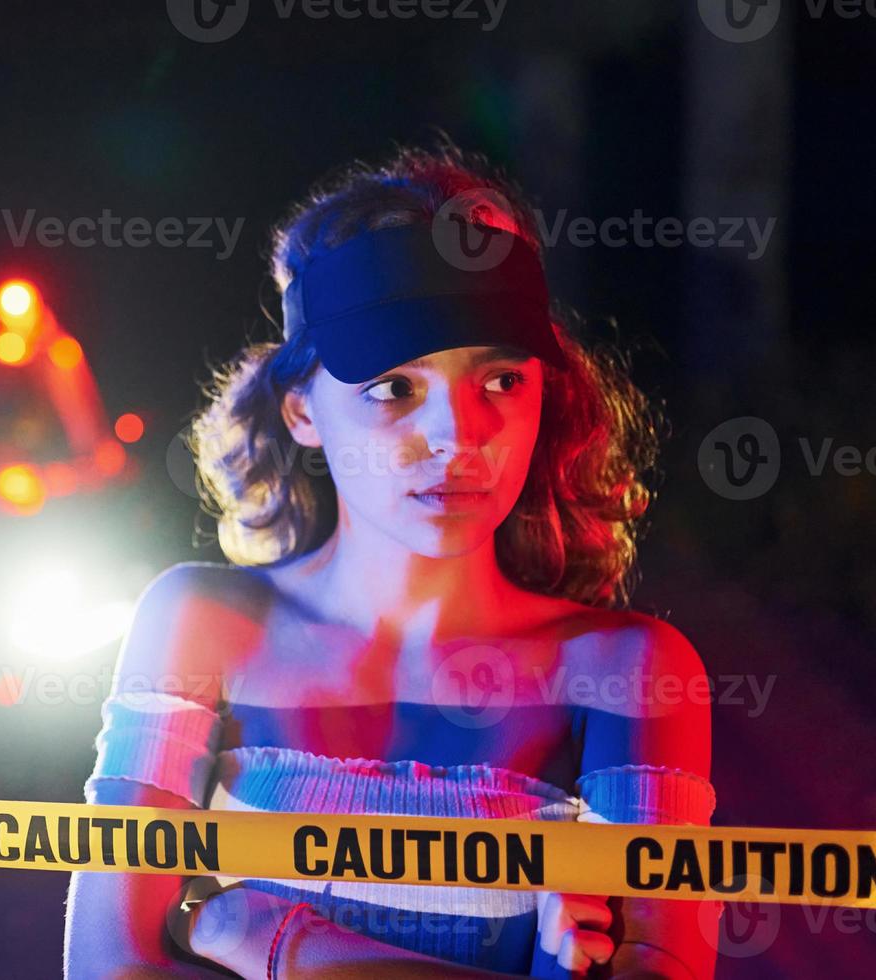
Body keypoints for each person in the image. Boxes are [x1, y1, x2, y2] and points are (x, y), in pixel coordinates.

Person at [64, 145, 715, 979]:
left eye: (502, 381)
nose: (458, 437)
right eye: (393, 388)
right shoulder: (200, 626)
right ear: (301, 409)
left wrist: (277, 942)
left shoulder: (628, 671)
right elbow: (109, 970)